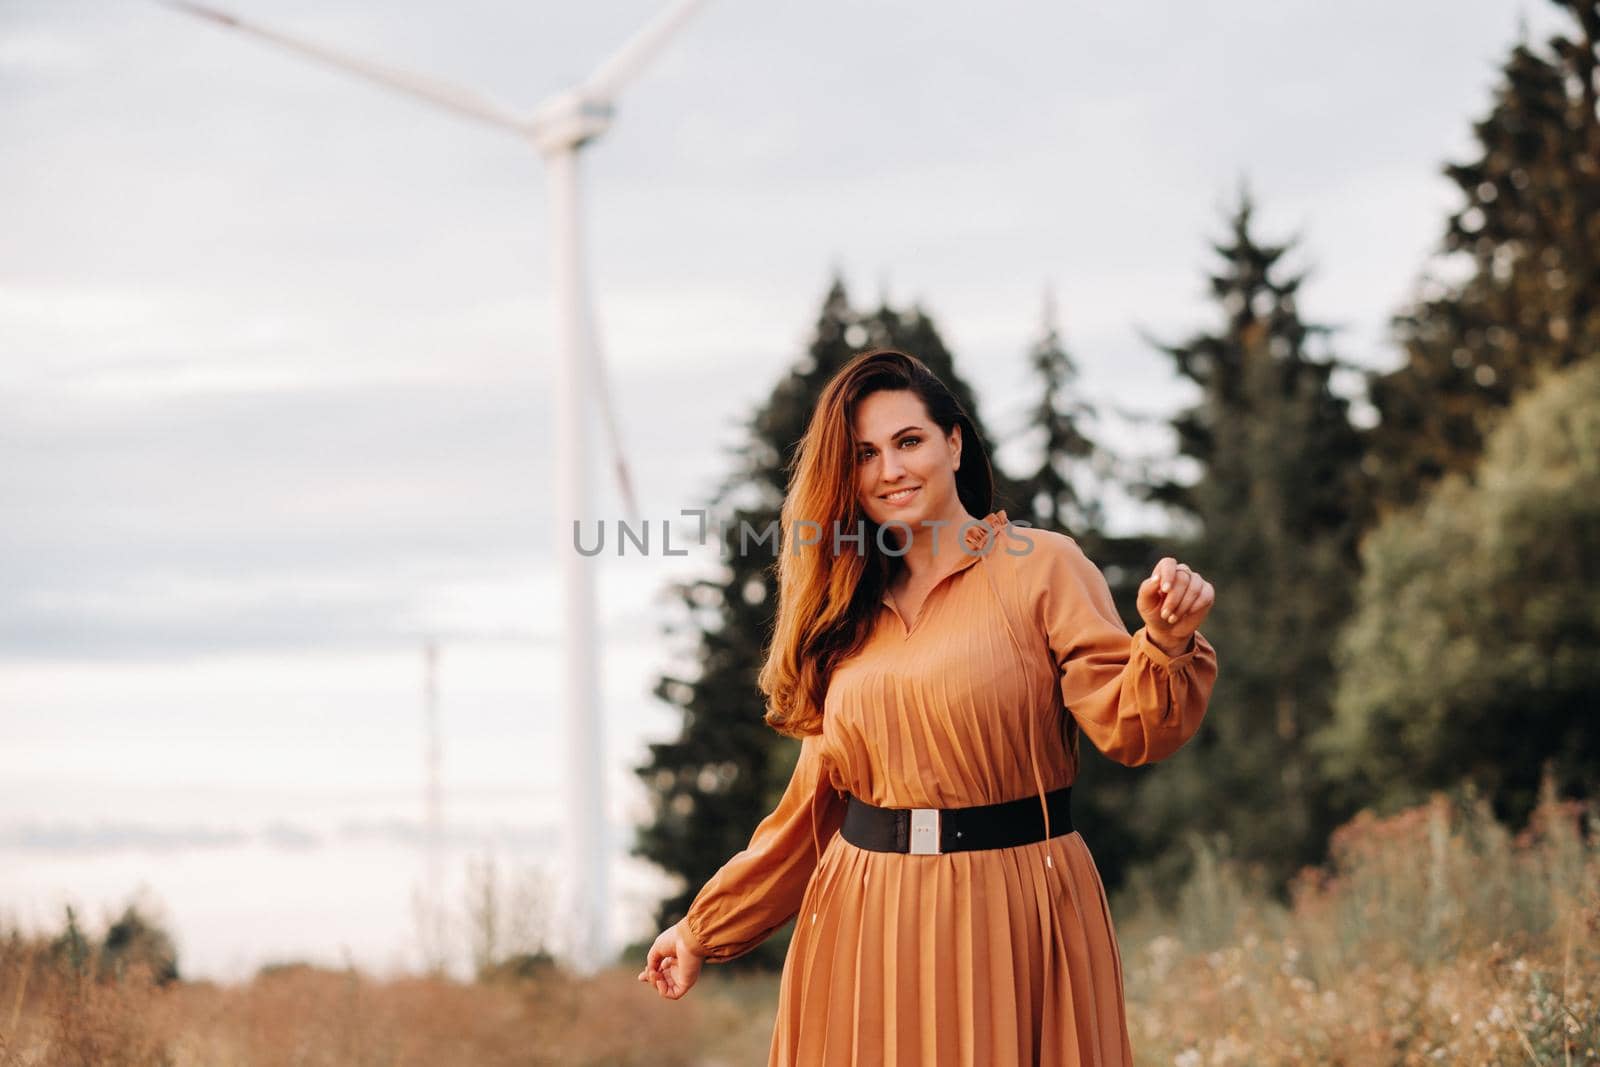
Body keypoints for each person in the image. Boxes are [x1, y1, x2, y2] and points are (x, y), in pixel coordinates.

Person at [638, 348, 1218, 1065]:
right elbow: (808, 814)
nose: (891, 469)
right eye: (865, 454)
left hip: (1018, 911)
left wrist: (1163, 640)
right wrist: (702, 929)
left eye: (908, 441)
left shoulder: (1043, 567)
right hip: (864, 920)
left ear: (953, 442)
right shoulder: (842, 610)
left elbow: (1134, 730)